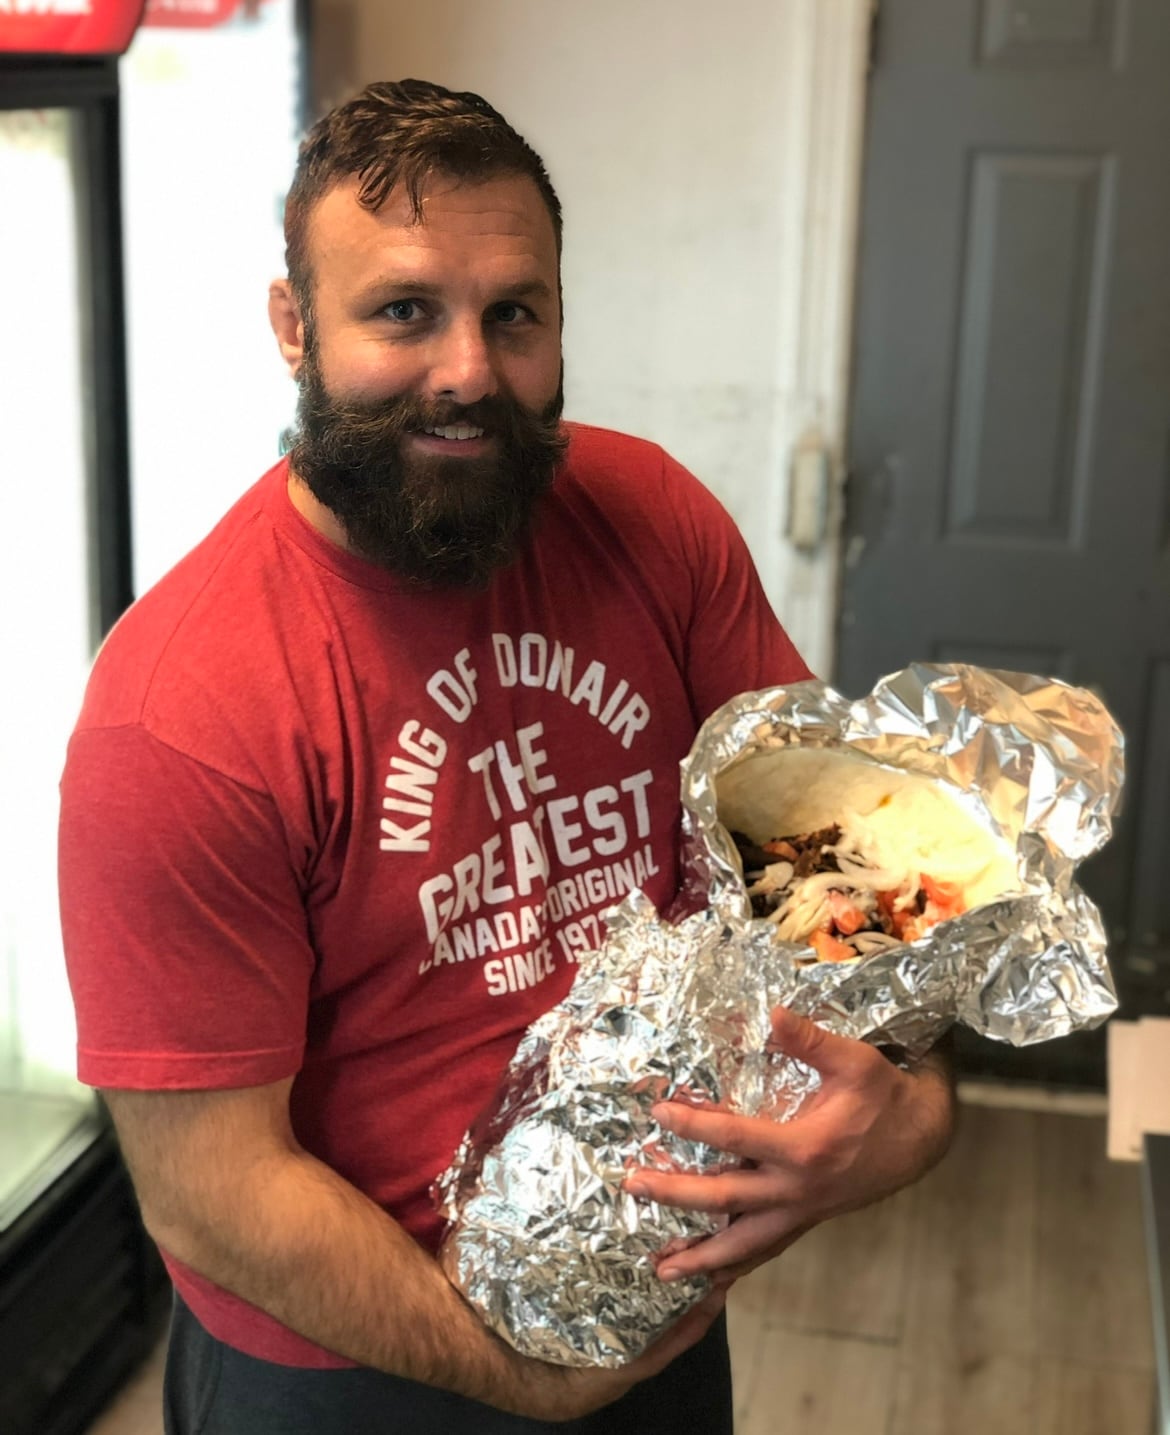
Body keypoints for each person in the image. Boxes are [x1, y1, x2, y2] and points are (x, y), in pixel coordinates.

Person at [58, 79, 954, 1434]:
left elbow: (851, 872)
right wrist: (533, 1382)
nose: (469, 369)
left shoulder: (649, 518)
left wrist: (909, 1109)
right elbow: (210, 1187)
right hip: (351, 1356)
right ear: (294, 326)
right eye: (403, 310)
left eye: (512, 314)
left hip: (650, 1300)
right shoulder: (181, 713)